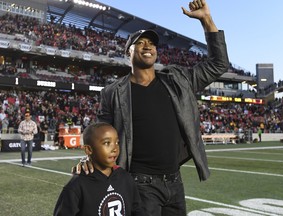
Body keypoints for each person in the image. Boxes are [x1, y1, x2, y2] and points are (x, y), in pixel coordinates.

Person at [74, 0, 229, 215]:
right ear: (128, 52)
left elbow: (218, 64)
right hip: (139, 185)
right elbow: (101, 134)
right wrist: (88, 159)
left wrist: (206, 20)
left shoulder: (178, 79)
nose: (148, 46)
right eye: (141, 42)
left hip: (175, 181)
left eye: (152, 43)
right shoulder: (113, 92)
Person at [54, 122, 143, 216]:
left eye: (117, 142)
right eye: (107, 143)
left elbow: (137, 210)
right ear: (89, 150)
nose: (115, 148)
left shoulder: (126, 178)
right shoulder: (76, 186)